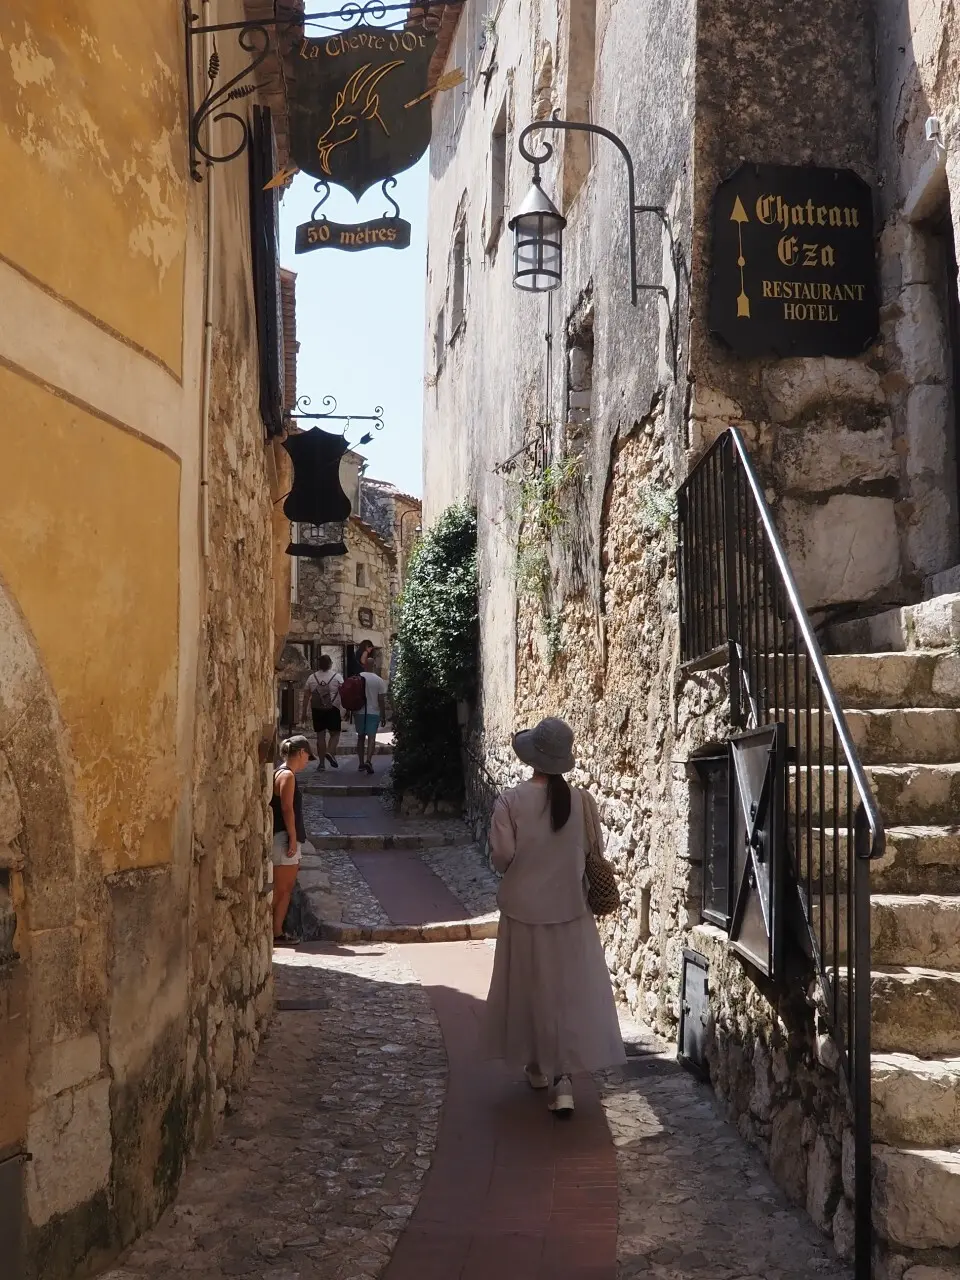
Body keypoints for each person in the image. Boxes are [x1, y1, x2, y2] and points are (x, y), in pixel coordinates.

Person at [482, 717, 626, 1115]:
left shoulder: (510, 801)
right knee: (566, 994)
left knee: (529, 989)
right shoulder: (582, 802)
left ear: (532, 758)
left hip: (523, 912)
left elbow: (502, 857)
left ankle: (535, 1064)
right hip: (571, 912)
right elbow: (592, 851)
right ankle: (563, 1080)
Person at [270, 735, 315, 946]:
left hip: (282, 837)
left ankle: (276, 931)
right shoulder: (287, 776)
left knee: (284, 888)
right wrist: (293, 836)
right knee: (282, 889)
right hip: (284, 838)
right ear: (301, 753)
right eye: (307, 756)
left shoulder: (279, 772)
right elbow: (287, 808)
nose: (307, 761)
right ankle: (273, 932)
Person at [302, 654, 343, 770]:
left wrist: (304, 712)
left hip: (317, 709)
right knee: (335, 733)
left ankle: (321, 764)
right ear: (330, 664)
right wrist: (346, 709)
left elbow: (306, 696)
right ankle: (330, 752)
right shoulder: (337, 677)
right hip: (333, 708)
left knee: (320, 736)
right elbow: (344, 693)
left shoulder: (312, 678)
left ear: (319, 665)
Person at [354, 646, 387, 775]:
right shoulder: (379, 681)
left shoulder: (358, 677)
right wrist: (383, 715)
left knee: (360, 738)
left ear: (364, 666)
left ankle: (360, 763)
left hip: (359, 712)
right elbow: (381, 700)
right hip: (374, 712)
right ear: (373, 666)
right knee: (372, 738)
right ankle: (368, 760)